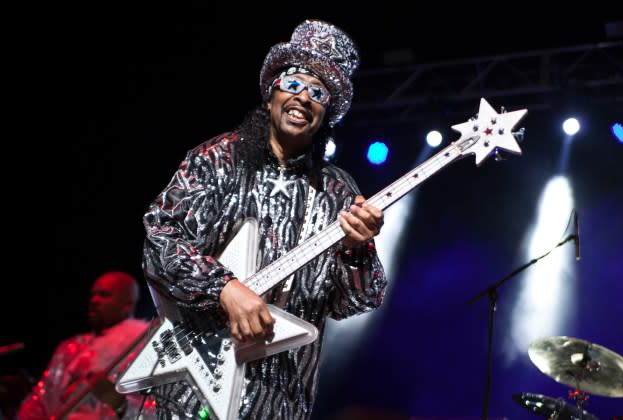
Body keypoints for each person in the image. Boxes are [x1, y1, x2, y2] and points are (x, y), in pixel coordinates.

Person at [139, 19, 388, 419]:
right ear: (272, 93)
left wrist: (356, 251)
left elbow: (358, 301)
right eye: (294, 84)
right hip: (189, 396)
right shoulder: (220, 158)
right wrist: (224, 288)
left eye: (318, 92)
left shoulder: (338, 191)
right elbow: (160, 237)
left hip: (280, 400)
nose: (303, 98)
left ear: (327, 112)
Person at [17, 271, 156, 419]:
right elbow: (41, 398)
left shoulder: (143, 345)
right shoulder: (69, 347)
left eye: (104, 295)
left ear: (127, 306)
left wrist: (120, 403)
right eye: (93, 295)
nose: (94, 300)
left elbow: (157, 409)